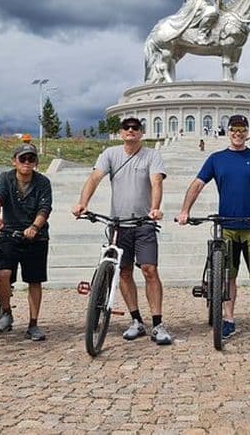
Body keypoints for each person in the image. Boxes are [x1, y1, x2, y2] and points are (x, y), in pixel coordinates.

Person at [71, 117, 172, 345]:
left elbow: (156, 182)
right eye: (126, 127)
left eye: (135, 128)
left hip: (143, 223)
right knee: (124, 272)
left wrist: (155, 208)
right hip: (118, 224)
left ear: (141, 133)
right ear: (120, 132)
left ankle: (158, 323)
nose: (130, 131)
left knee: (149, 270)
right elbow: (95, 177)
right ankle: (136, 320)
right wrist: (82, 203)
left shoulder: (152, 155)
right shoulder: (110, 154)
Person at [177, 114, 250, 340]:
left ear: (247, 132)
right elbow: (197, 184)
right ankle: (229, 319)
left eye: (242, 130)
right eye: (234, 130)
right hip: (227, 226)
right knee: (228, 276)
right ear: (227, 131)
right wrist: (185, 210)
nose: (238, 134)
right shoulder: (216, 159)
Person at [0, 144, 52, 341]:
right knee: (3, 274)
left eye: (30, 159)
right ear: (14, 161)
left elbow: (45, 208)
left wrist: (34, 227)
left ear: (36, 163)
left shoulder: (43, 182)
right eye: (22, 159)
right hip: (9, 233)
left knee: (34, 280)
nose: (26, 163)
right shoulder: (5, 178)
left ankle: (33, 323)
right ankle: (6, 311)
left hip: (36, 236)